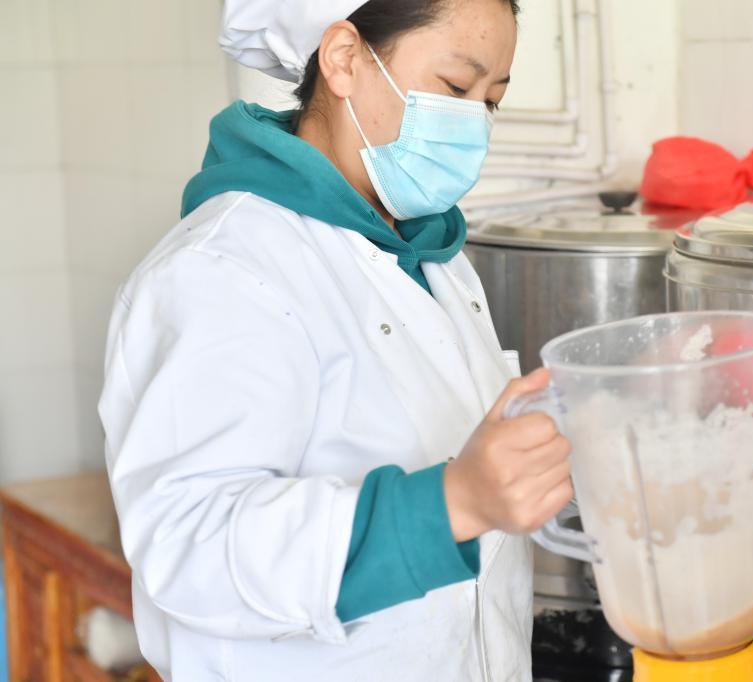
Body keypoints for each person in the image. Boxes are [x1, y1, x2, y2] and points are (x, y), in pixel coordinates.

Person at [98, 1, 574, 679]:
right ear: (345, 58)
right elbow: (190, 548)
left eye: (490, 100)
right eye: (454, 87)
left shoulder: (432, 260)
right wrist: (450, 505)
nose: (473, 123)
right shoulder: (223, 269)